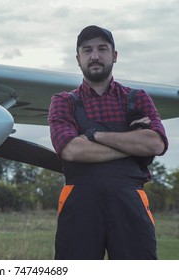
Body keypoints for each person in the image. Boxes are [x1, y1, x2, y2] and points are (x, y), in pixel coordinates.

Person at [48, 25, 169, 260]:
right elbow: (71, 150)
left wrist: (94, 135)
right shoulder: (64, 101)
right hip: (79, 203)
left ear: (114, 55)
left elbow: (155, 145)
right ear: (78, 58)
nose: (94, 56)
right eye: (87, 50)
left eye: (102, 49)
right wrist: (132, 145)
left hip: (129, 202)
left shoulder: (137, 98)